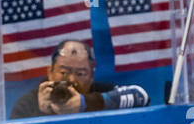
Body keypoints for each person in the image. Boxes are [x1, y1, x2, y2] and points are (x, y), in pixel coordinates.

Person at [9, 39, 150, 118]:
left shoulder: (98, 93)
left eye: (80, 73)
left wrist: (86, 103)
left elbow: (141, 95)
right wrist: (41, 113)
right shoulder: (29, 103)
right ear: (50, 72)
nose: (71, 79)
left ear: (91, 76)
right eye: (63, 73)